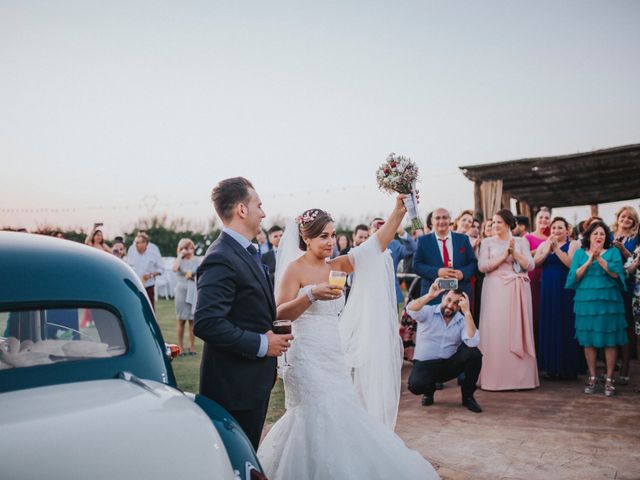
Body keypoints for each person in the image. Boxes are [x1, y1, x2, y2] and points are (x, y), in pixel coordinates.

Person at [257, 196, 440, 480]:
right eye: (322, 236)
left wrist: (399, 211)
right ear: (305, 238)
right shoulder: (295, 269)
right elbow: (280, 314)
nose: (330, 242)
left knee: (341, 411)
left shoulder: (338, 266)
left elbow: (375, 245)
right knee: (314, 413)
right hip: (305, 355)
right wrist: (310, 295)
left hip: (333, 352)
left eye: (332, 235)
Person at [193, 177, 292, 450]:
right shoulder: (221, 256)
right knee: (235, 461)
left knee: (248, 456)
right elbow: (207, 323)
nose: (264, 213)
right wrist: (263, 344)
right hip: (232, 389)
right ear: (241, 210)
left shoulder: (246, 251)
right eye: (258, 205)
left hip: (251, 383)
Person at [478, 208, 539, 391]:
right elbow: (482, 266)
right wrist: (504, 255)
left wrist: (515, 253)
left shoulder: (521, 241)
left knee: (517, 329)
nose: (495, 225)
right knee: (497, 331)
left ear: (508, 224)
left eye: (499, 222)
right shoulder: (487, 242)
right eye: (494, 222)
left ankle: (521, 379)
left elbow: (530, 264)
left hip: (518, 288)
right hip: (495, 289)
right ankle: (495, 379)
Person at [566, 220, 627, 397]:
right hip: (586, 302)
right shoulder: (579, 253)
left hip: (609, 302)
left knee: (609, 338)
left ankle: (609, 378)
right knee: (588, 339)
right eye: (595, 234)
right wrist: (589, 260)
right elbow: (574, 277)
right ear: (588, 236)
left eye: (602, 234)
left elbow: (616, 274)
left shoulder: (614, 252)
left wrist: (599, 258)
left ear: (606, 237)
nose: (599, 237)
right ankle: (592, 376)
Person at [406, 283, 482, 413]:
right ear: (443, 298)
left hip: (449, 366)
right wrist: (429, 296)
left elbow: (472, 342)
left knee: (474, 354)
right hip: (425, 365)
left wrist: (467, 312)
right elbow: (411, 309)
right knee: (415, 386)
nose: (450, 305)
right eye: (449, 300)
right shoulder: (429, 312)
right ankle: (429, 391)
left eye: (456, 303)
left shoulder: (462, 320)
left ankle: (468, 396)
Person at [534, 217, 582, 379]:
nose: (556, 231)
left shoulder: (574, 244)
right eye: (553, 228)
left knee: (565, 321)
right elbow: (535, 263)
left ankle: (567, 367)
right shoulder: (544, 244)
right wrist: (548, 250)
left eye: (560, 228)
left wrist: (557, 249)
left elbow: (570, 264)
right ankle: (551, 366)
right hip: (547, 288)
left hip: (565, 288)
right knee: (550, 321)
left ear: (567, 230)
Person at [413, 208, 477, 304]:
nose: (441, 221)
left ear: (449, 220)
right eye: (437, 218)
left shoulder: (463, 239)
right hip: (433, 296)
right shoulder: (423, 241)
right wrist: (437, 272)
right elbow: (416, 266)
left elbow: (473, 263)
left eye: (444, 217)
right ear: (432, 221)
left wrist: (463, 273)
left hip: (459, 296)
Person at [610, 206, 640, 384]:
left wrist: (622, 249)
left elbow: (637, 261)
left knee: (627, 326)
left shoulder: (636, 238)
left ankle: (625, 366)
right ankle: (611, 366)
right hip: (610, 286)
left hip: (629, 286)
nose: (625, 219)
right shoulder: (608, 233)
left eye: (630, 217)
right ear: (618, 218)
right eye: (623, 216)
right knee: (612, 325)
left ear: (634, 221)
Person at [369, 217, 417, 309]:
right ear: (369, 231)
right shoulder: (363, 248)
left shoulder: (394, 245)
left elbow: (412, 249)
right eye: (375, 228)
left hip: (391, 295)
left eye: (382, 228)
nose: (378, 231)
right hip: (370, 296)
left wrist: (402, 233)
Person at [172, 238, 200, 356]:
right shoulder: (179, 260)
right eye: (184, 248)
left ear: (193, 249)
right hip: (181, 292)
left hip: (193, 291)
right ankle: (180, 347)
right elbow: (174, 269)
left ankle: (192, 347)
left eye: (189, 248)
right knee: (181, 320)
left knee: (192, 320)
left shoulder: (197, 260)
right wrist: (180, 255)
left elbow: (201, 273)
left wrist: (193, 278)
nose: (187, 250)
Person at [125, 232, 164, 310]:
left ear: (145, 243)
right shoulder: (131, 250)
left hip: (148, 286)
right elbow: (127, 266)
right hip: (134, 285)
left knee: (149, 308)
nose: (135, 245)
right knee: (134, 308)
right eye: (136, 242)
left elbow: (161, 269)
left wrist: (151, 275)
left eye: (138, 243)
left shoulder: (153, 252)